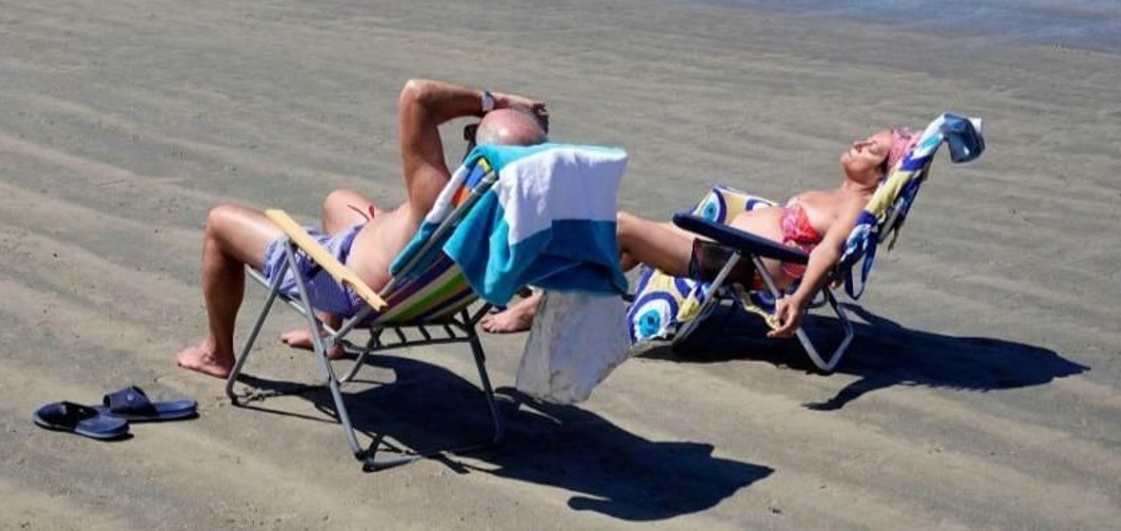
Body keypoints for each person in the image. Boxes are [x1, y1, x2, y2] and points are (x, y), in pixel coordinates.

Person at [177, 80, 551, 378]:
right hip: (418, 290)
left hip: (352, 288)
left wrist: (496, 101)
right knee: (337, 200)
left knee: (220, 221)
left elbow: (417, 96)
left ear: (476, 151)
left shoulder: (437, 198)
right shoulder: (524, 218)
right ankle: (326, 335)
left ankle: (217, 354)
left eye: (472, 132)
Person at [481, 126, 918, 338]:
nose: (859, 143)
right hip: (728, 247)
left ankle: (535, 305)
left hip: (735, 263)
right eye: (865, 139)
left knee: (622, 228)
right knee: (630, 248)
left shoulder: (853, 205)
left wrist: (799, 302)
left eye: (871, 149)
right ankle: (547, 299)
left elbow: (827, 253)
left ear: (881, 174)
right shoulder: (842, 194)